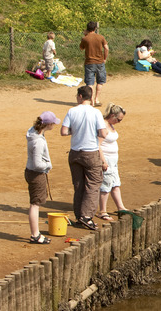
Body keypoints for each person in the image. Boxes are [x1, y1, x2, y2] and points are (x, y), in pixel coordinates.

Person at [60, 85, 108, 231]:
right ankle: (86, 216)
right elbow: (103, 134)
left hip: (75, 152)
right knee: (93, 184)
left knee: (79, 185)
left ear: (80, 96)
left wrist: (76, 131)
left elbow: (63, 131)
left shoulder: (72, 111)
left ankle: (79, 215)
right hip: (90, 152)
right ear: (91, 97)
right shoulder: (95, 112)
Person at [25, 111, 60, 244]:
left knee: (35, 203)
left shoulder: (33, 132)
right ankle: (35, 235)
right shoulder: (38, 142)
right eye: (53, 123)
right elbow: (37, 163)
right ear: (48, 124)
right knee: (35, 204)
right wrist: (48, 165)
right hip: (36, 174)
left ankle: (35, 233)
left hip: (31, 172)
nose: (54, 125)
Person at [97, 103, 127, 221]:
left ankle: (121, 207)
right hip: (106, 160)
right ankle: (102, 211)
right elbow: (98, 145)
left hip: (113, 160)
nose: (119, 122)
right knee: (106, 185)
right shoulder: (103, 126)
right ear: (113, 115)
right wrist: (103, 161)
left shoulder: (110, 125)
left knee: (115, 183)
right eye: (119, 119)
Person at [79, 21, 109, 107]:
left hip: (89, 62)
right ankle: (97, 99)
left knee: (90, 83)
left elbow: (81, 48)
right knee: (100, 81)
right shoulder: (100, 37)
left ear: (87, 29)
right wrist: (104, 58)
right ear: (95, 28)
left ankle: (91, 101)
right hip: (100, 62)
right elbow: (106, 48)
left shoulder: (85, 38)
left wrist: (85, 36)